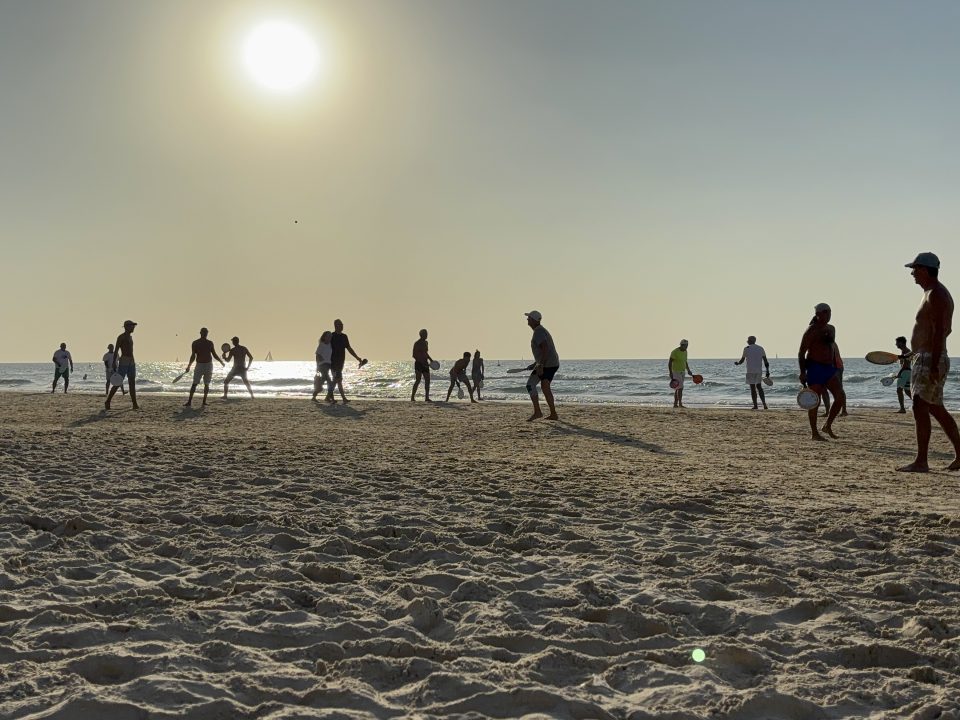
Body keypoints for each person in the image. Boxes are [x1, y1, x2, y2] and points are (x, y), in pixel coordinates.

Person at [897, 253, 960, 472]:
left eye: (914, 269)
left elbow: (942, 331)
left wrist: (932, 362)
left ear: (924, 269)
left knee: (919, 405)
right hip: (925, 356)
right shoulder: (931, 293)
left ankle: (921, 461)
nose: (912, 274)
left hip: (930, 358)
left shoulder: (936, 294)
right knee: (935, 408)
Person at [798, 303, 845, 441]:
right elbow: (801, 352)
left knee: (840, 397)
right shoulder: (811, 331)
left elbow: (830, 347)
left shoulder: (831, 329)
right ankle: (814, 433)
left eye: (830, 312)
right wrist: (802, 372)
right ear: (819, 314)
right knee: (815, 401)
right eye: (826, 312)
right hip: (815, 367)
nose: (829, 315)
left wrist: (836, 365)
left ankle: (827, 425)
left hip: (829, 368)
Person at [525, 310, 560, 421]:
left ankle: (540, 412)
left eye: (529, 318)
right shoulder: (540, 330)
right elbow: (544, 351)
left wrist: (540, 365)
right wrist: (536, 363)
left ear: (533, 320)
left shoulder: (538, 332)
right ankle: (548, 413)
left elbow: (545, 348)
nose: (527, 319)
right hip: (550, 363)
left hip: (547, 365)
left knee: (533, 385)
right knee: (543, 387)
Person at [183, 327, 224, 407]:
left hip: (208, 365)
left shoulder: (210, 343)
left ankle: (204, 401)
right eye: (203, 332)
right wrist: (189, 366)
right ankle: (189, 401)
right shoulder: (195, 343)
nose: (205, 334)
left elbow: (214, 354)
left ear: (207, 333)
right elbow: (193, 356)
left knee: (207, 384)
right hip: (199, 365)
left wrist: (220, 361)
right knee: (194, 383)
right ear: (200, 333)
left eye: (206, 332)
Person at [328, 319, 367, 403]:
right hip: (333, 362)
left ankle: (329, 396)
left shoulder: (344, 336)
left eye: (342, 324)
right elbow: (326, 348)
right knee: (338, 379)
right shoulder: (331, 336)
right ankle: (343, 398)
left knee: (336, 379)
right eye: (340, 324)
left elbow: (349, 348)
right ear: (335, 326)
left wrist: (357, 357)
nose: (342, 326)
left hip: (341, 362)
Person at [106, 320, 139, 410]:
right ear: (126, 327)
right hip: (124, 361)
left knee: (132, 383)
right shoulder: (121, 337)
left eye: (133, 326)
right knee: (118, 382)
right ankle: (108, 401)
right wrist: (113, 362)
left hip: (131, 361)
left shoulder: (131, 337)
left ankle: (134, 404)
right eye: (131, 326)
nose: (133, 328)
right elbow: (116, 350)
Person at [734, 336, 770, 410]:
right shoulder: (760, 348)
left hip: (750, 371)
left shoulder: (746, 349)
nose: (747, 341)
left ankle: (755, 405)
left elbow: (742, 360)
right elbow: (765, 361)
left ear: (750, 341)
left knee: (752, 388)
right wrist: (767, 371)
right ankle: (764, 404)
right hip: (758, 371)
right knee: (759, 387)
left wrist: (737, 363)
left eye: (748, 340)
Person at [668, 339, 695, 408]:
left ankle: (675, 404)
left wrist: (688, 370)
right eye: (685, 345)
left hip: (683, 371)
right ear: (681, 345)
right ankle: (679, 404)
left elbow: (685, 362)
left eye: (687, 345)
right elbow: (670, 362)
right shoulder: (675, 352)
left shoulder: (685, 352)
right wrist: (670, 372)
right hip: (676, 371)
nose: (686, 347)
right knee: (680, 388)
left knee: (678, 388)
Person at [411, 329, 434, 402]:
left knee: (427, 380)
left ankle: (426, 397)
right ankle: (412, 397)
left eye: (427, 333)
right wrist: (421, 362)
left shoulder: (426, 343)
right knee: (418, 380)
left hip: (426, 364)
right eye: (425, 334)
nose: (427, 335)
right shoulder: (417, 343)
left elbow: (425, 353)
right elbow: (414, 355)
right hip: (419, 364)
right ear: (421, 335)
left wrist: (431, 360)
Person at [313, 332, 335, 402]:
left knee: (322, 382)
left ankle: (314, 396)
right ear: (324, 337)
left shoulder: (330, 345)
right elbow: (317, 355)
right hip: (322, 365)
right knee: (329, 381)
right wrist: (317, 367)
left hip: (328, 365)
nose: (329, 338)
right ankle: (331, 398)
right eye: (328, 336)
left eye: (330, 337)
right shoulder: (321, 345)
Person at [894, 336, 912, 414]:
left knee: (899, 390)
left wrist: (899, 373)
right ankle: (921, 405)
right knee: (907, 391)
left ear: (901, 343)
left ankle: (902, 409)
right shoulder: (906, 351)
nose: (896, 344)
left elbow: (905, 365)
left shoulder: (906, 351)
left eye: (897, 343)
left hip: (905, 372)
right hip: (908, 372)